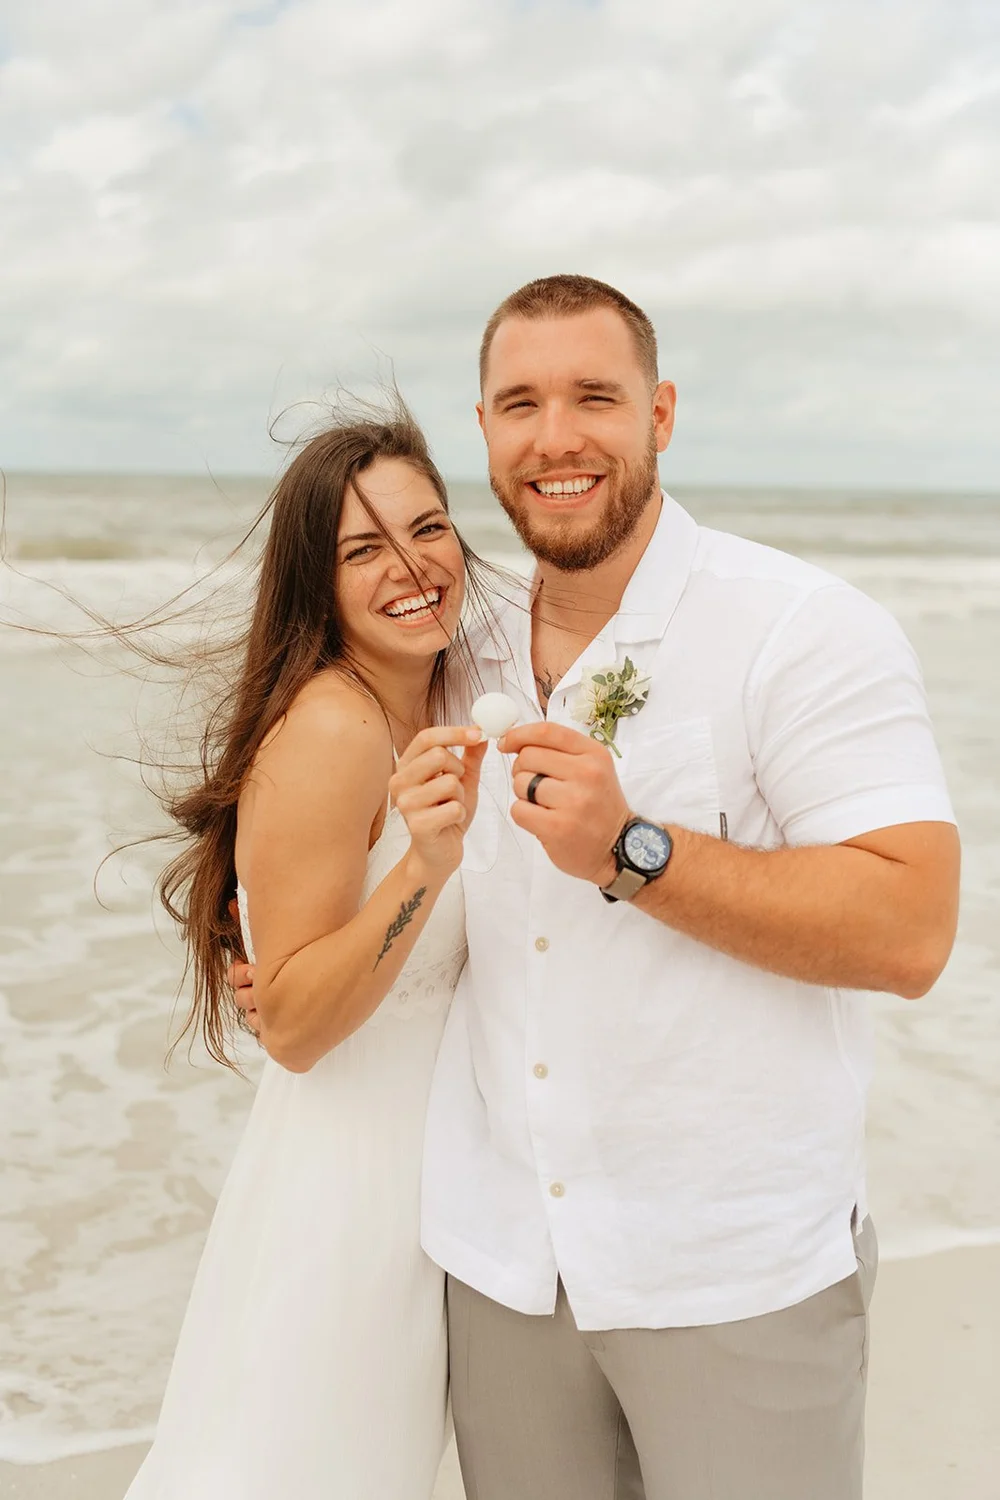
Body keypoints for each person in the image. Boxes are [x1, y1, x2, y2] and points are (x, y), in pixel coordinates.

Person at [235, 275, 960, 1500]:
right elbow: (314, 768)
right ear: (484, 432)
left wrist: (639, 853)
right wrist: (248, 934)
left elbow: (910, 930)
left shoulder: (798, 628)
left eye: (594, 397)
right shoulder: (453, 640)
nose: (556, 436)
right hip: (500, 1269)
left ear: (661, 413)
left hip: (729, 1272)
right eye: (521, 402)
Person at [125, 407, 490, 1500]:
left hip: (438, 1189)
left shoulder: (450, 683)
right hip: (346, 1201)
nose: (411, 567)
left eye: (426, 529)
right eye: (362, 550)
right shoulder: (332, 728)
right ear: (312, 581)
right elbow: (289, 1025)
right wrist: (422, 866)